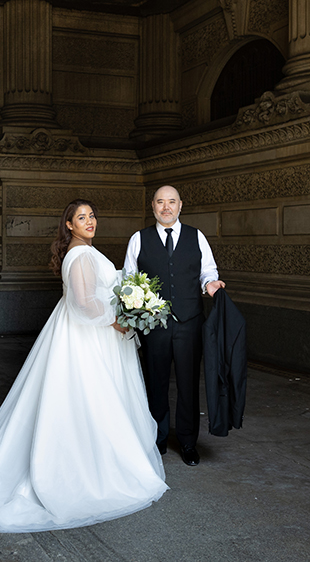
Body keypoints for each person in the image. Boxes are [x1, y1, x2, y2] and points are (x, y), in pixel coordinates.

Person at [0, 199, 168, 532]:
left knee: (90, 397)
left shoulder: (81, 251)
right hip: (87, 337)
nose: (90, 221)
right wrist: (118, 318)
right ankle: (90, 464)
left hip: (90, 335)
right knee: (89, 396)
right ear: (68, 225)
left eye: (92, 216)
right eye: (82, 217)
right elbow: (83, 305)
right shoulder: (81, 254)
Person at [123, 185, 225, 466]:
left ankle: (188, 442)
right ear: (152, 207)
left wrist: (211, 285)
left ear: (181, 205)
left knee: (188, 383)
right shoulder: (139, 239)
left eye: (171, 202)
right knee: (155, 383)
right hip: (154, 325)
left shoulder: (197, 237)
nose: (166, 207)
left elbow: (208, 271)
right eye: (160, 202)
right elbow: (129, 281)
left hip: (189, 322)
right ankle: (156, 439)